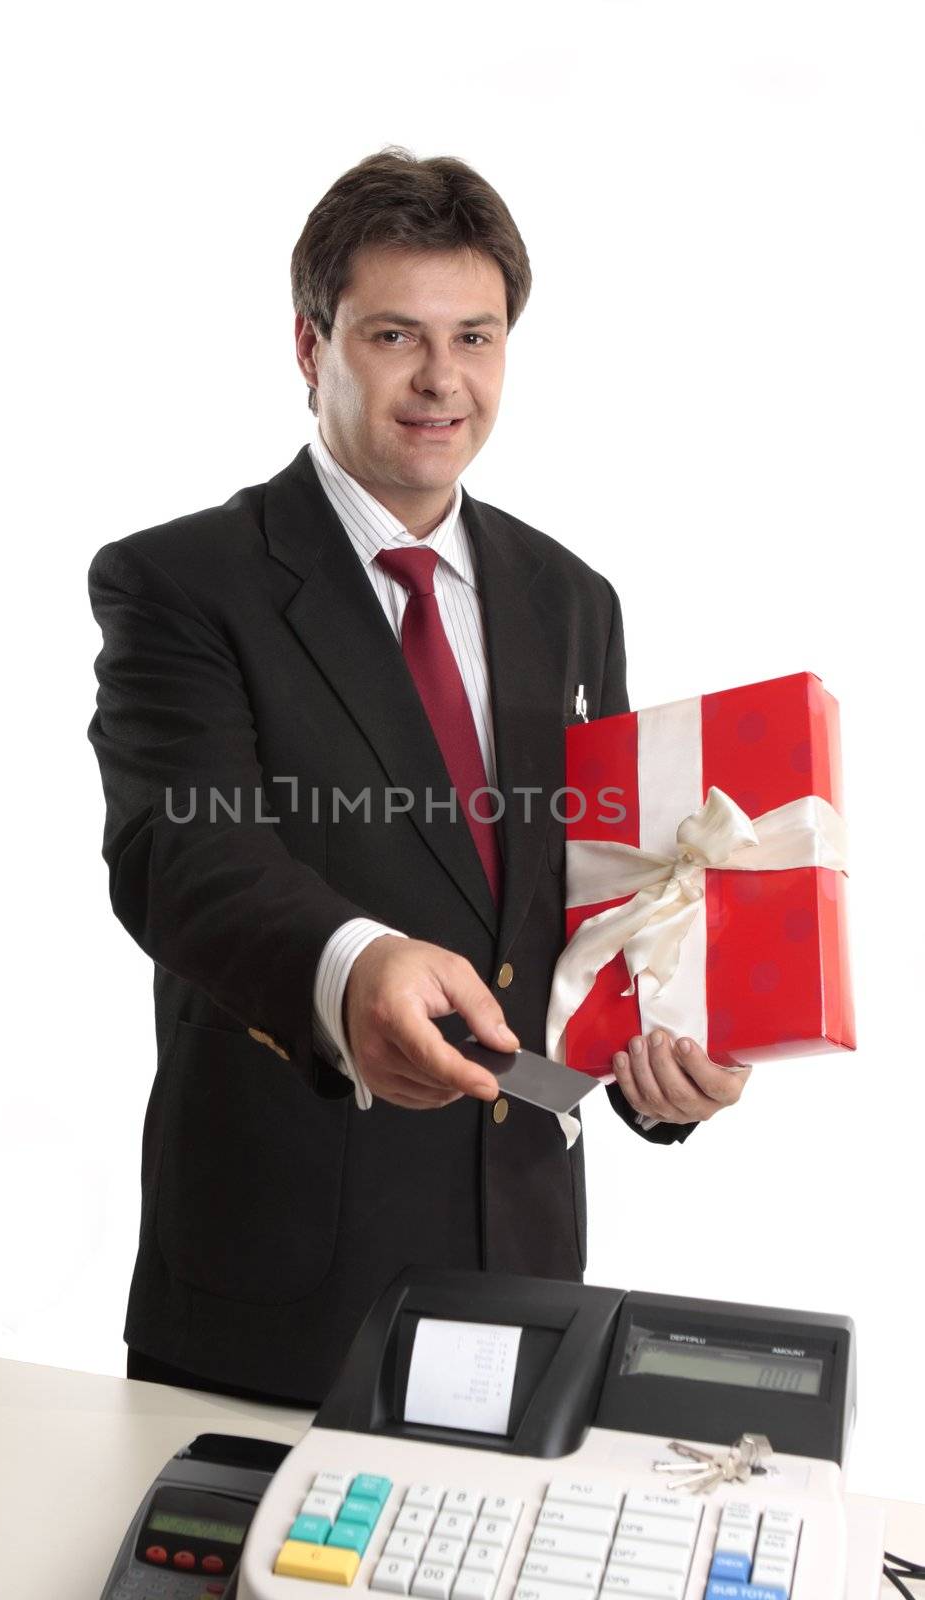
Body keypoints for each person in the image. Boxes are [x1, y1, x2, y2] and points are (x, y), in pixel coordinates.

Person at [85, 147, 749, 1405]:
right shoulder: (180, 584)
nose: (443, 380)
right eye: (396, 334)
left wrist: (656, 1067)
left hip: (526, 1280)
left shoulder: (570, 600)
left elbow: (589, 911)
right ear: (309, 344)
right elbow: (185, 854)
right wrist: (354, 963)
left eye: (476, 336)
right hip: (279, 1283)